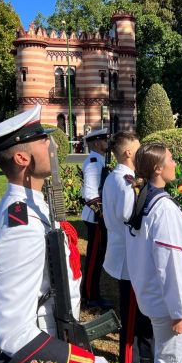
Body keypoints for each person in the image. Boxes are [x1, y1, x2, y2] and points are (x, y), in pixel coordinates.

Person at [0, 105, 109, 363]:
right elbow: (14, 335)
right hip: (45, 339)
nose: (53, 145)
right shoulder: (22, 228)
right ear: (22, 159)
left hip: (57, 329)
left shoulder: (32, 205)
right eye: (43, 139)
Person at [126, 143, 182, 363]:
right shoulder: (163, 210)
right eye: (170, 159)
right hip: (169, 307)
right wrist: (178, 313)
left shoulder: (144, 198)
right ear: (157, 169)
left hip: (160, 301)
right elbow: (170, 265)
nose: (175, 163)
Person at [101, 131, 153, 363]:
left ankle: (143, 355)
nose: (141, 151)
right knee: (131, 315)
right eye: (138, 147)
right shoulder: (127, 181)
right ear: (129, 152)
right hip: (128, 256)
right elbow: (127, 216)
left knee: (137, 311)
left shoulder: (116, 176)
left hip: (120, 250)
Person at [81, 128, 113, 309]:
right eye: (103, 140)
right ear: (95, 143)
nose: (106, 143)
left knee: (97, 257)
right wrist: (102, 215)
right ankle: (91, 296)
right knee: (94, 258)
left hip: (98, 217)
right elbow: (90, 195)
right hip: (96, 218)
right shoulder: (94, 162)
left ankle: (90, 292)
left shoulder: (100, 160)